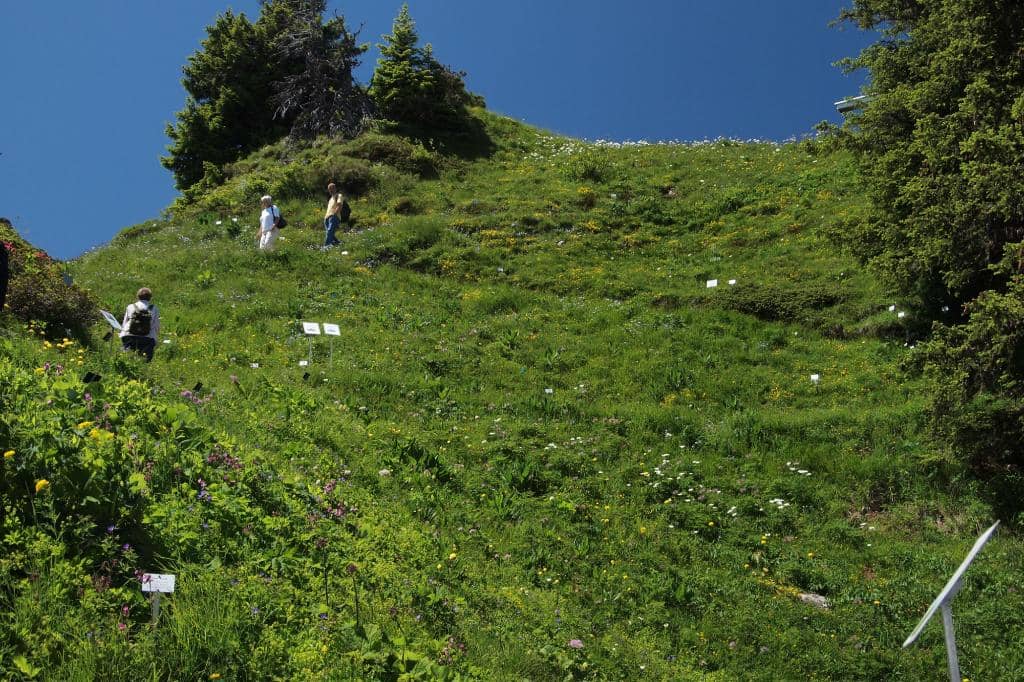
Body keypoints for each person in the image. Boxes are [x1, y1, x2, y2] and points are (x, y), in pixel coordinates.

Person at [120, 287, 160, 361]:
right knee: (145, 360)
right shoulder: (154, 308)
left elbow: (124, 323)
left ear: (138, 296)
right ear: (150, 297)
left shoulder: (130, 306)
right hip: (147, 337)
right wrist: (156, 339)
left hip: (129, 336)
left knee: (126, 358)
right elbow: (156, 326)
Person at [323, 182, 344, 248]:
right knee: (329, 232)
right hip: (327, 218)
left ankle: (326, 247)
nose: (331, 190)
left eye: (332, 188)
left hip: (333, 216)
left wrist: (335, 214)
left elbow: (339, 205)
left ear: (335, 188)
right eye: (329, 189)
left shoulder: (339, 195)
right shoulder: (330, 199)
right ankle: (338, 243)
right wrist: (325, 218)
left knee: (329, 231)